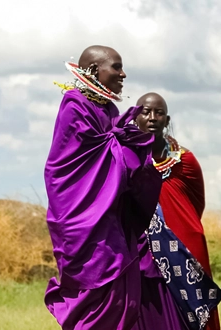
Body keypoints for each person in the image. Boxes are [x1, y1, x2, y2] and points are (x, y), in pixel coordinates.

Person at [44, 45, 194, 329]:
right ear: (92, 71)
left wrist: (130, 144)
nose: (123, 73)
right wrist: (126, 144)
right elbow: (85, 164)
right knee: (94, 300)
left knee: (121, 301)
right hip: (83, 222)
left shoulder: (109, 108)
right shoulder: (74, 106)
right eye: (116, 67)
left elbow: (119, 153)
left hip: (112, 221)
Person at [134, 92, 221, 330]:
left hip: (185, 245)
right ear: (134, 117)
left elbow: (196, 204)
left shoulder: (185, 161)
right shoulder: (125, 159)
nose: (152, 118)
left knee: (194, 311)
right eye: (146, 112)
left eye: (159, 113)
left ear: (167, 119)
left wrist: (176, 231)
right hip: (142, 248)